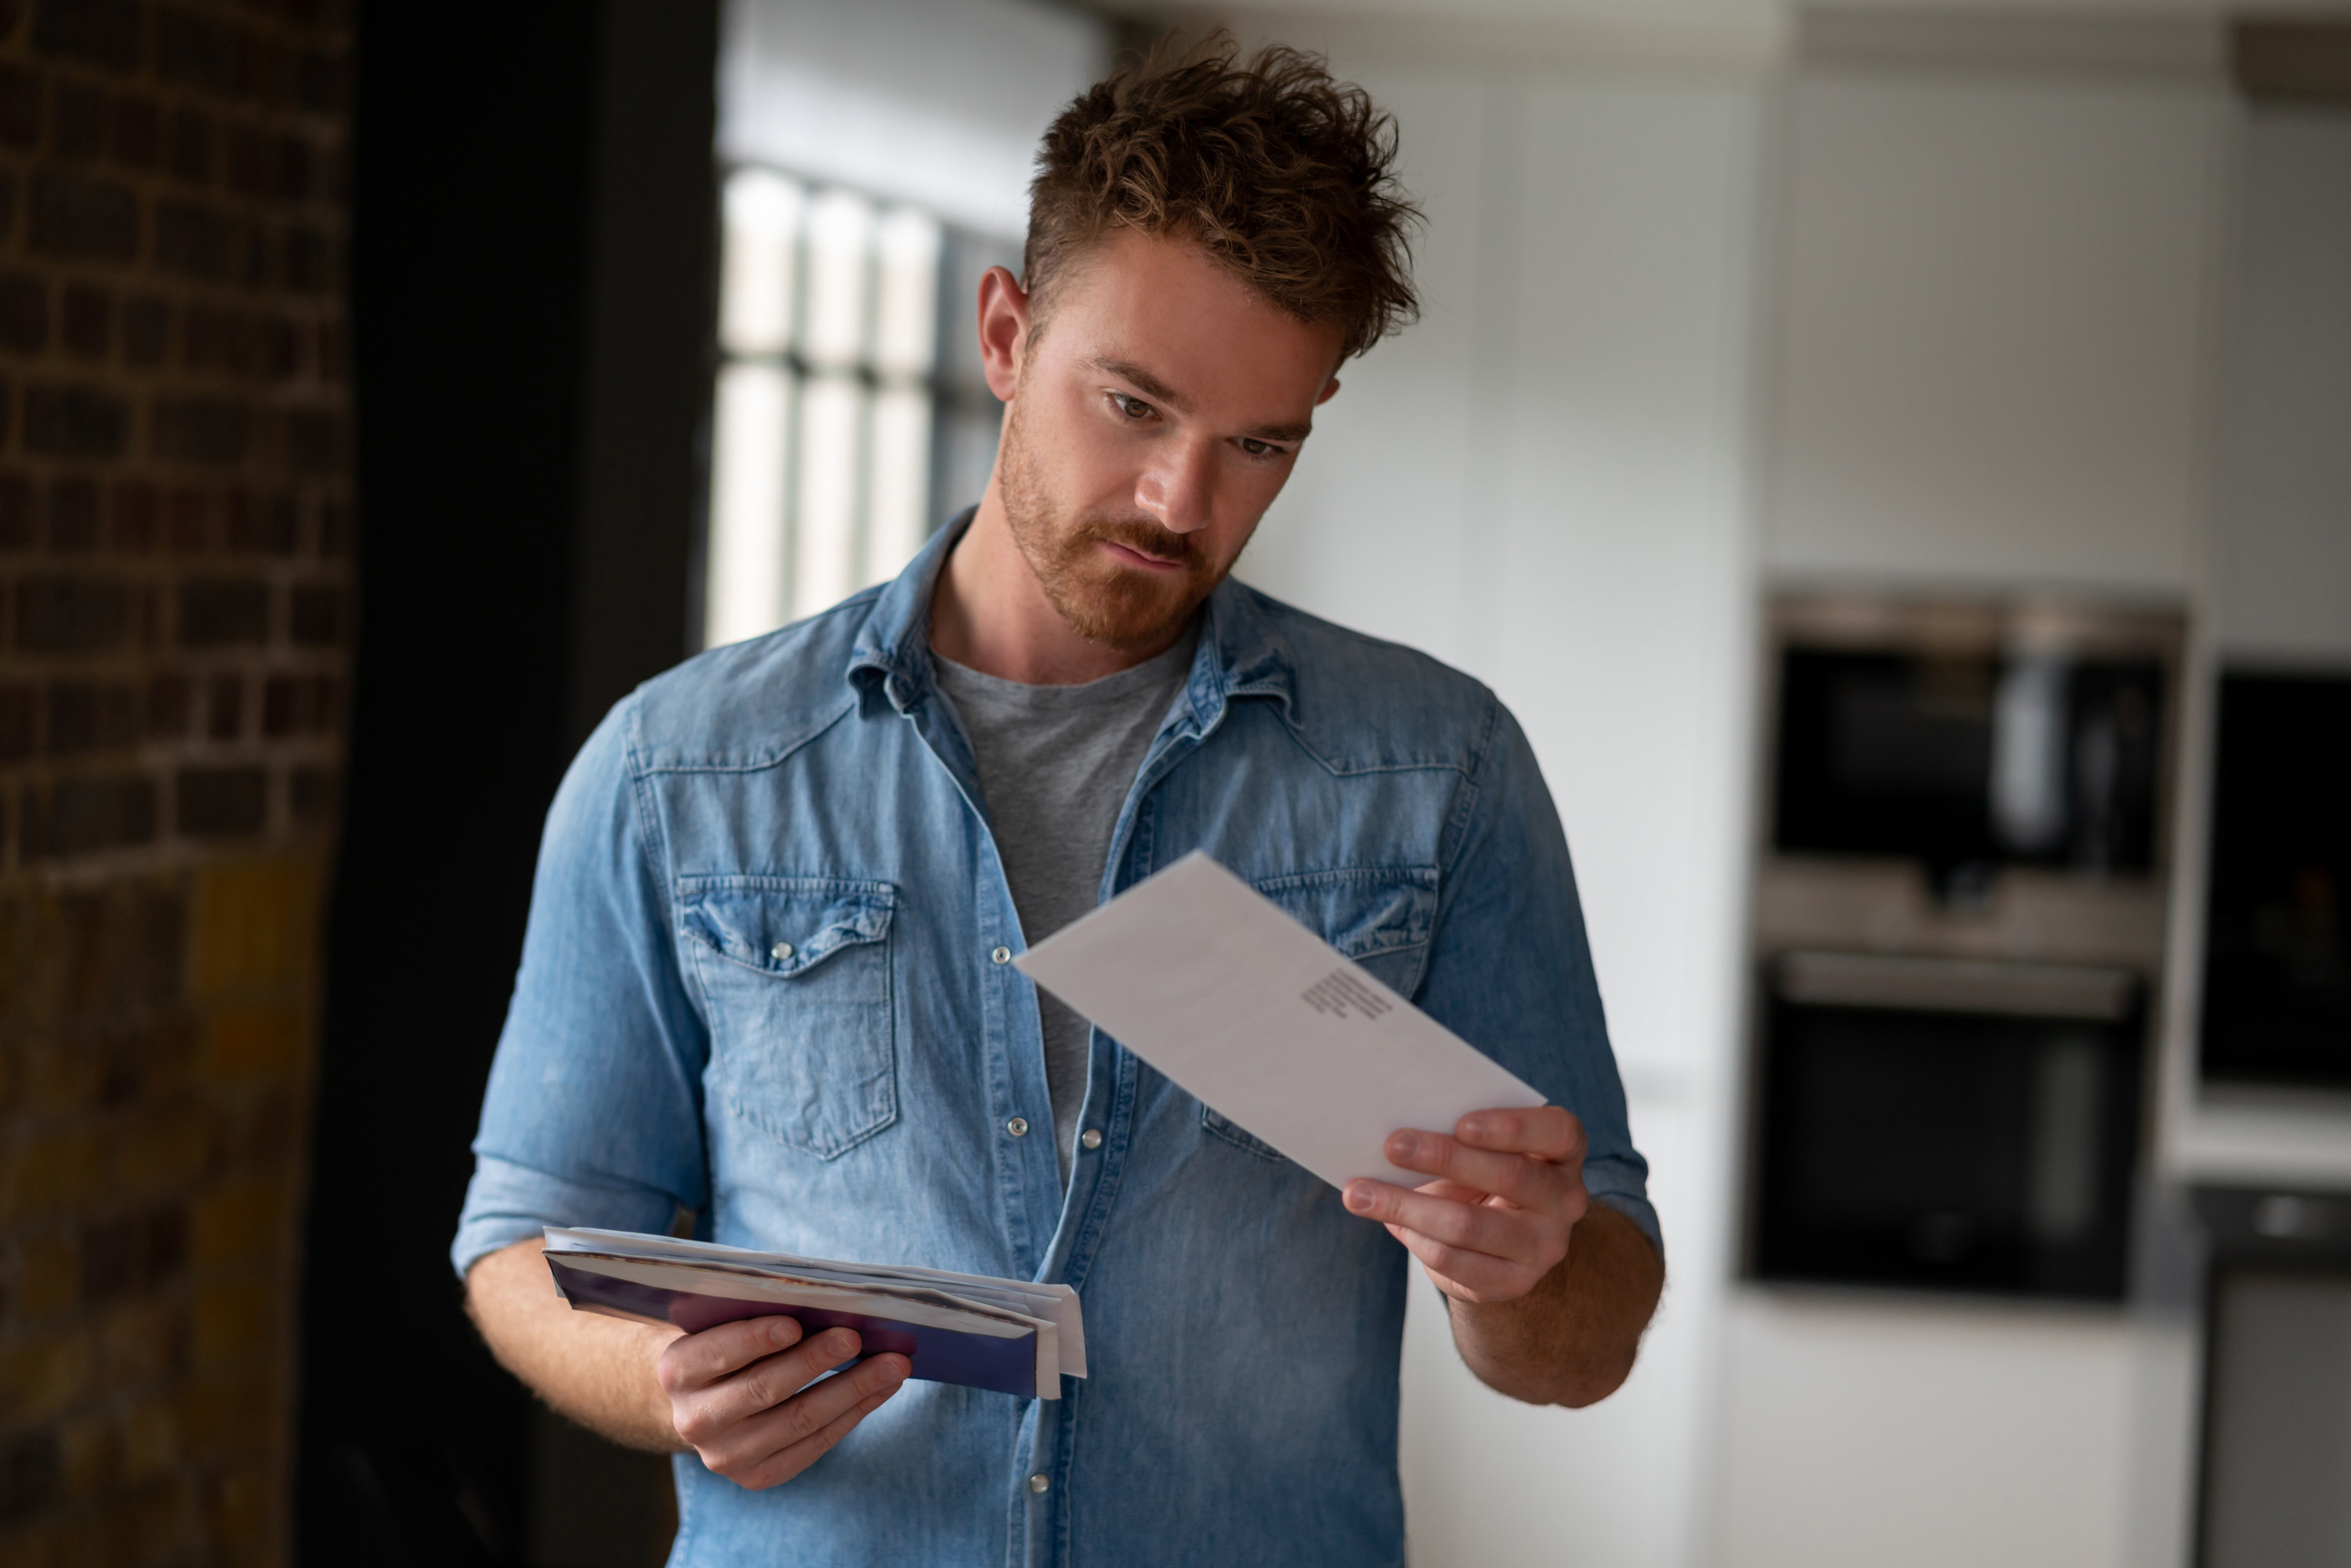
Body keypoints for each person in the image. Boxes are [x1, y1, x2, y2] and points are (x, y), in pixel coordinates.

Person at [455, 34, 1663, 1566]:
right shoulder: (679, 769)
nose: (1182, 499)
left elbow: (1592, 1323)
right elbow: (524, 1241)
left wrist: (1521, 1273)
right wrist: (665, 1380)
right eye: (1136, 404)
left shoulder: (1440, 775)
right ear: (1007, 332)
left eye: (1258, 443)